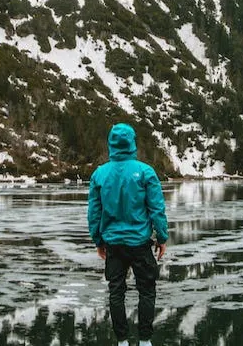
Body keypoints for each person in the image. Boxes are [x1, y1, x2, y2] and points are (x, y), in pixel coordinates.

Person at [87, 122, 169, 346]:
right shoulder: (145, 172)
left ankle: (122, 341)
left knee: (116, 292)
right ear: (133, 143)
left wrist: (98, 240)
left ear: (111, 144)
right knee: (147, 291)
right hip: (140, 243)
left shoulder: (99, 174)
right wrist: (162, 237)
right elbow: (156, 210)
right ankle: (144, 340)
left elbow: (94, 213)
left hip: (113, 244)